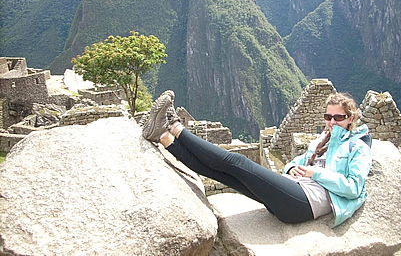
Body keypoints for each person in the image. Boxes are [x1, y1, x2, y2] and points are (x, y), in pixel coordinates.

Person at [142, 90, 372, 226]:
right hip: (294, 193)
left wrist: (315, 173)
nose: (332, 122)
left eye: (338, 118)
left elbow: (353, 188)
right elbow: (299, 161)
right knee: (226, 175)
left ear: (350, 118)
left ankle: (175, 126)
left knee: (238, 163)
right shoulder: (324, 140)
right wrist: (292, 167)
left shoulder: (357, 147)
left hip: (307, 204)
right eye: (328, 116)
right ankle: (163, 136)